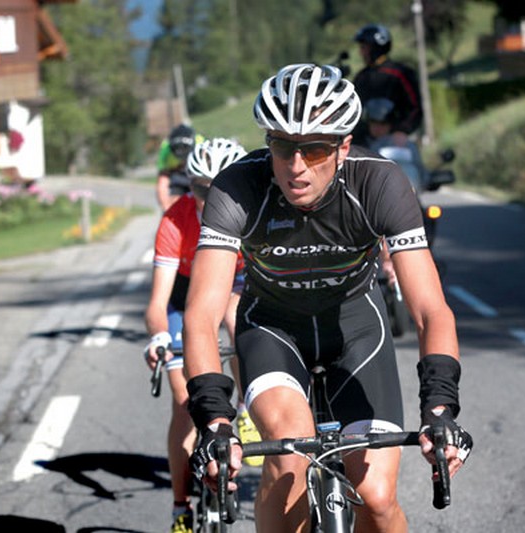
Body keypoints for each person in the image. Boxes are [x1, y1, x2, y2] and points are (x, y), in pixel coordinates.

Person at [183, 64, 472, 532]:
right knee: (290, 456)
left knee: (376, 498)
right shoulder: (237, 188)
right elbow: (201, 316)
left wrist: (439, 408)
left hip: (357, 330)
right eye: (282, 146)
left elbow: (429, 309)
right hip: (273, 330)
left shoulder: (379, 182)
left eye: (314, 149)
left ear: (341, 146)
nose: (296, 166)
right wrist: (214, 420)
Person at [144, 137, 259, 533]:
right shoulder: (176, 219)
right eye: (200, 189)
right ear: (188, 186)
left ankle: (246, 412)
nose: (211, 198)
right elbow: (158, 303)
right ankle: (181, 507)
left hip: (237, 284)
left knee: (236, 317)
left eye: (222, 187)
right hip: (186, 293)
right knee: (183, 401)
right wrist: (159, 337)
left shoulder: (254, 211)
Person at [352, 23, 423, 147]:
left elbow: (415, 108)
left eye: (364, 47)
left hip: (396, 142)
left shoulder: (400, 73)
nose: (361, 52)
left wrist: (402, 130)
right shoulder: (361, 77)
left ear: (375, 48)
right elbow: (354, 111)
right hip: (366, 143)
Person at [155, 124, 204, 212]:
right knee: (175, 203)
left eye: (185, 158)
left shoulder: (201, 144)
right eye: (179, 158)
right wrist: (168, 211)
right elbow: (162, 182)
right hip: (178, 177)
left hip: (198, 175)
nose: (183, 161)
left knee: (201, 202)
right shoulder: (166, 150)